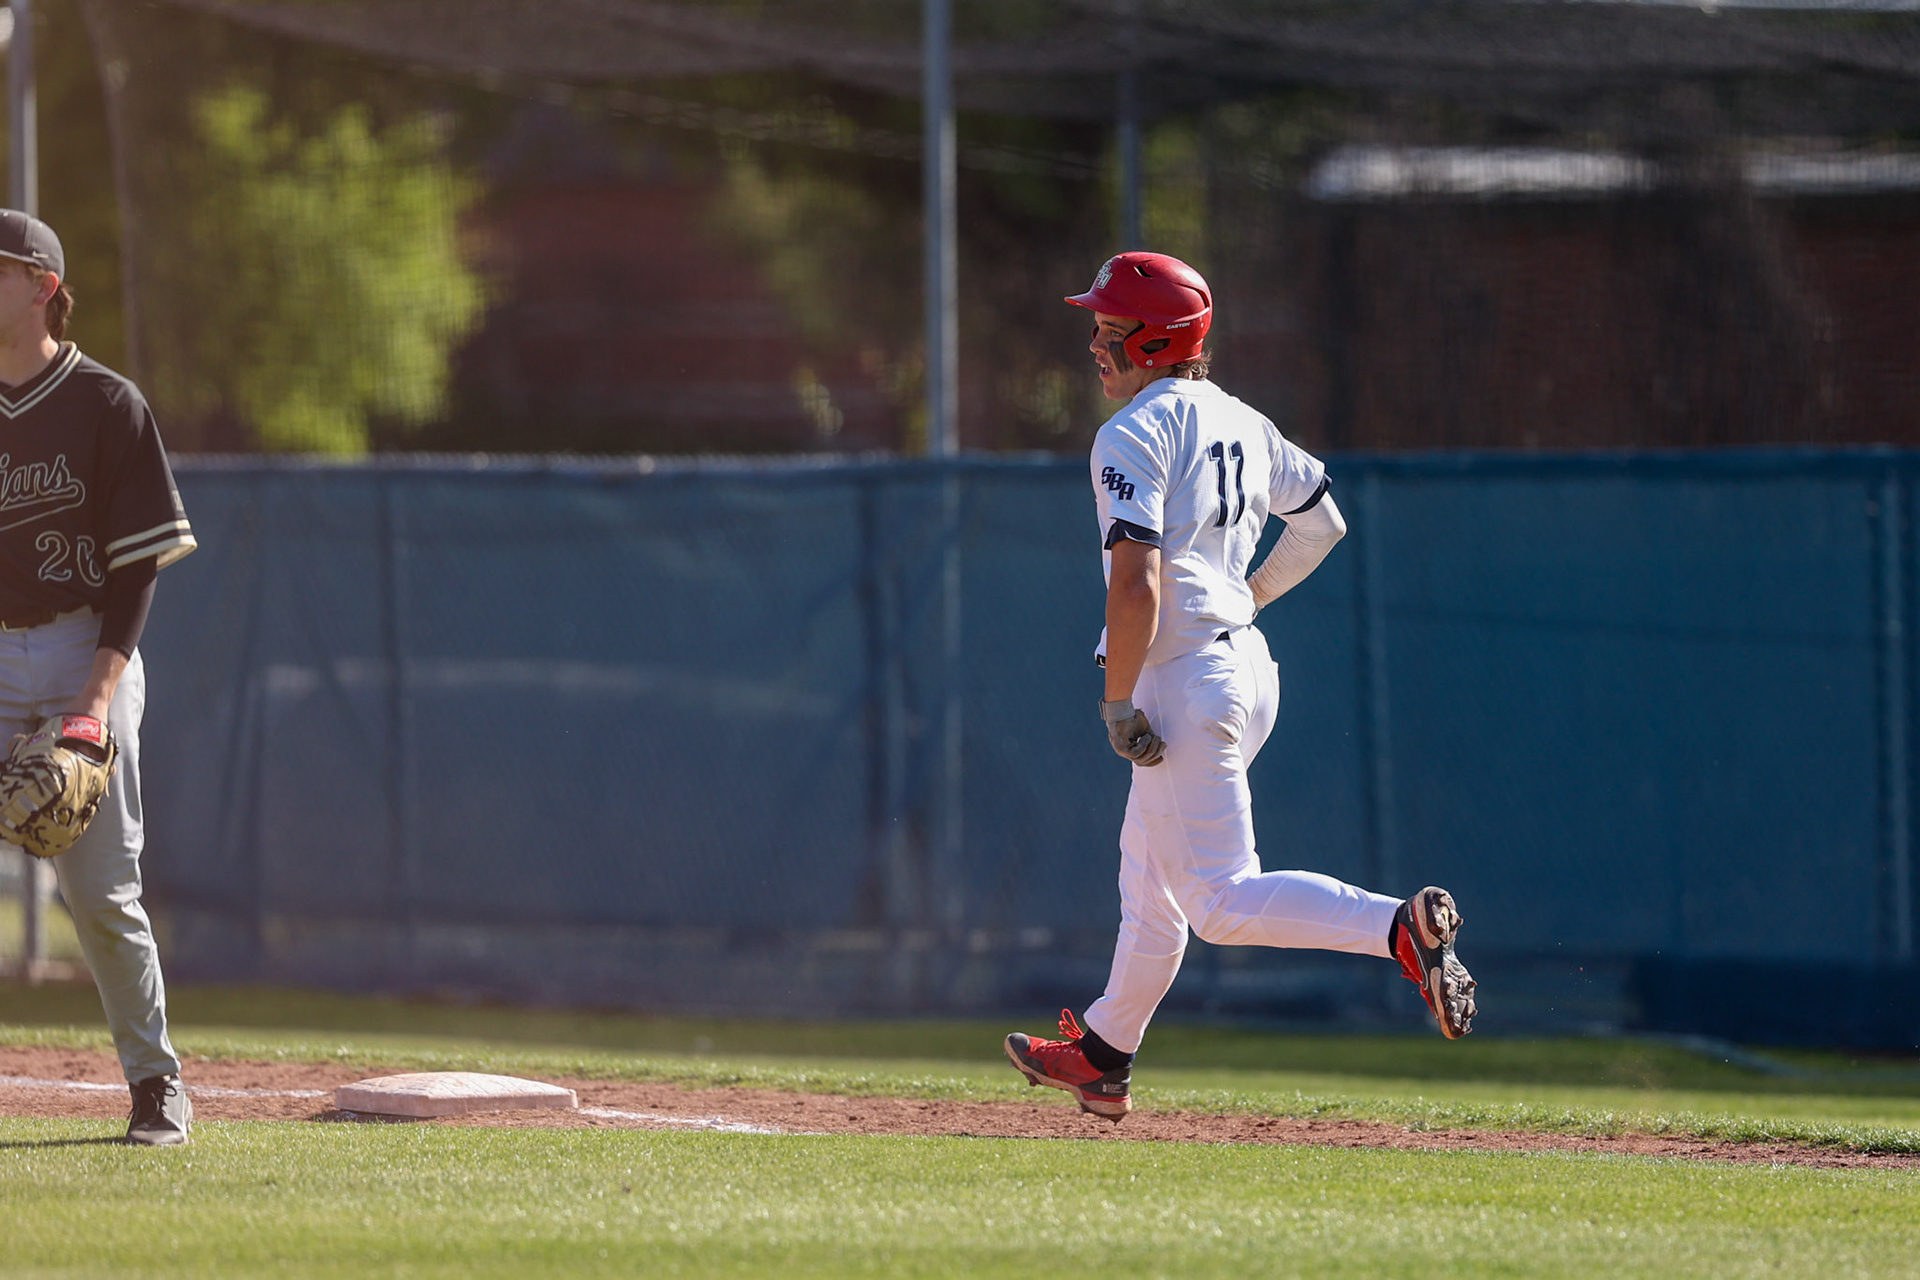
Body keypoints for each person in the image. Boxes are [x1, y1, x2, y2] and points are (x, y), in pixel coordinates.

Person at [1003, 251, 1477, 1121]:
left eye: (1109, 330)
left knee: (1218, 901)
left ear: (1154, 341)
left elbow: (1136, 585)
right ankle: (1103, 1056)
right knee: (1149, 880)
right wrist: (1249, 597)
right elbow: (1324, 522)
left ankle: (1398, 931)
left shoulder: (1133, 432)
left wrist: (1118, 700)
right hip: (1243, 670)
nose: (1096, 345)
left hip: (1182, 682)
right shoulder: (1244, 421)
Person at [0, 210, 197, 1144]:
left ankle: (158, 1085)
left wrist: (94, 700)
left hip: (87, 648)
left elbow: (136, 569)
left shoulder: (108, 404)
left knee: (101, 894)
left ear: (42, 286)